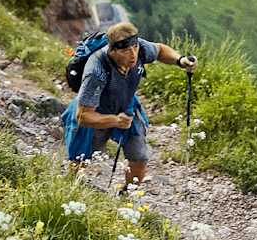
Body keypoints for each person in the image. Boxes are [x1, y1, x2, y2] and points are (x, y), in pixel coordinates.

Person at [71, 21, 196, 187]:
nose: (133, 55)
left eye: (135, 47)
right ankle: (72, 189)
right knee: (82, 157)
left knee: (139, 156)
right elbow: (83, 116)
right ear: (112, 50)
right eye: (125, 50)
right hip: (97, 113)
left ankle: (128, 195)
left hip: (127, 106)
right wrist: (115, 121)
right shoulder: (96, 70)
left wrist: (179, 60)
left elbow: (160, 50)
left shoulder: (139, 47)